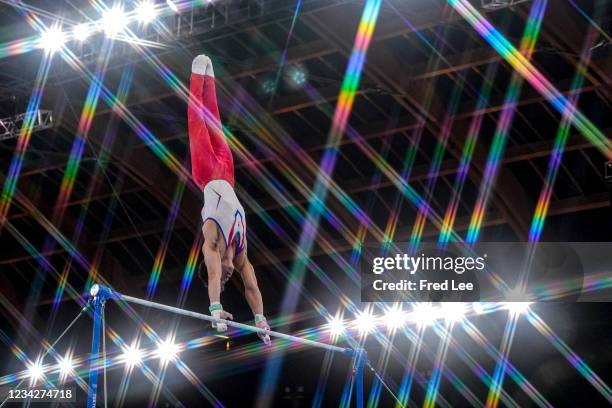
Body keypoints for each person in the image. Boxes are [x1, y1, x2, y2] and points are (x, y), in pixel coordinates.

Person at [188, 54, 270, 345]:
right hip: (228, 173)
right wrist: (260, 320)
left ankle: (197, 76)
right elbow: (251, 288)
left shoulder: (211, 242)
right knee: (215, 121)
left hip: (206, 174)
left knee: (198, 121)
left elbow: (211, 275)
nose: (226, 277)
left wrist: (215, 310)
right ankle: (211, 79)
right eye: (226, 281)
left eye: (224, 279)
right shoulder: (242, 254)